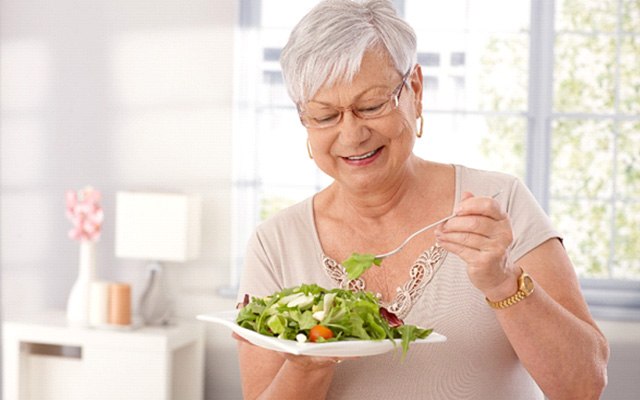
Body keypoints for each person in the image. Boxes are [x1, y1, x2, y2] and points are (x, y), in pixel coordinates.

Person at [235, 1, 609, 399]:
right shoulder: (275, 244)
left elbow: (583, 386)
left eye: (372, 105)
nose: (352, 135)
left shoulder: (499, 203)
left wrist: (503, 283)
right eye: (325, 116)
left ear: (414, 88)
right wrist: (306, 364)